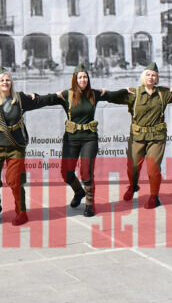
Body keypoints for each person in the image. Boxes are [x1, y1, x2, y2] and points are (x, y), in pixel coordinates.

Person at [0, 67, 61, 226]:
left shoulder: (20, 99)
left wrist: (58, 96)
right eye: (2, 80)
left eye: (8, 80)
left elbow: (41, 100)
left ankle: (21, 212)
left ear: (11, 83)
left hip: (16, 147)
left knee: (15, 180)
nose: (5, 82)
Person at [113, 62, 172, 209]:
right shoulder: (133, 94)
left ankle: (154, 196)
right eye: (148, 74)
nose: (151, 77)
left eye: (154, 75)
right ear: (143, 77)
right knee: (132, 166)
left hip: (157, 137)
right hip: (137, 137)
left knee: (153, 168)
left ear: (157, 78)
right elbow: (112, 97)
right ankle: (133, 186)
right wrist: (104, 92)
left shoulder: (163, 93)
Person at [55, 64, 128, 217]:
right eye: (80, 77)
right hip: (71, 139)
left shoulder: (94, 94)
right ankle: (79, 191)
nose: (83, 80)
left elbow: (114, 96)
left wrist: (126, 91)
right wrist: (32, 97)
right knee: (66, 173)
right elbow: (45, 100)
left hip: (89, 138)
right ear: (75, 79)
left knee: (86, 172)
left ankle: (89, 204)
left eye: (85, 77)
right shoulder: (66, 95)